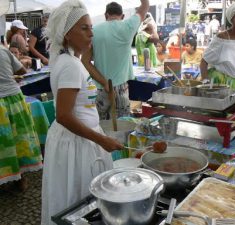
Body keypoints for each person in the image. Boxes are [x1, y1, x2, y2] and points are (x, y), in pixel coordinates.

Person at [41, 1, 123, 224]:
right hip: (75, 144)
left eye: (91, 28)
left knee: (78, 199)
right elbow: (64, 115)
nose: (91, 34)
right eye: (84, 28)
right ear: (67, 34)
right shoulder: (70, 65)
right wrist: (102, 140)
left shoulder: (69, 60)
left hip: (79, 139)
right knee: (79, 202)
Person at [81, 0, 149, 120]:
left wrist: (105, 82)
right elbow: (144, 7)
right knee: (122, 126)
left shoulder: (94, 31)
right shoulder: (128, 26)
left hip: (100, 88)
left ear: (106, 15)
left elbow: (85, 62)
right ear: (122, 16)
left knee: (100, 127)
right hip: (121, 88)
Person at [0, 44, 42, 191]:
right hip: (13, 99)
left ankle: (10, 176)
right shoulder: (3, 50)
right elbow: (22, 71)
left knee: (4, 143)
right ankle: (20, 179)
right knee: (19, 140)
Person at [198, 1, 235, 91]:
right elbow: (204, 61)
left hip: (234, 83)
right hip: (218, 83)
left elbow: (232, 59)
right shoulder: (222, 38)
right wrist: (205, 81)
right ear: (231, 20)